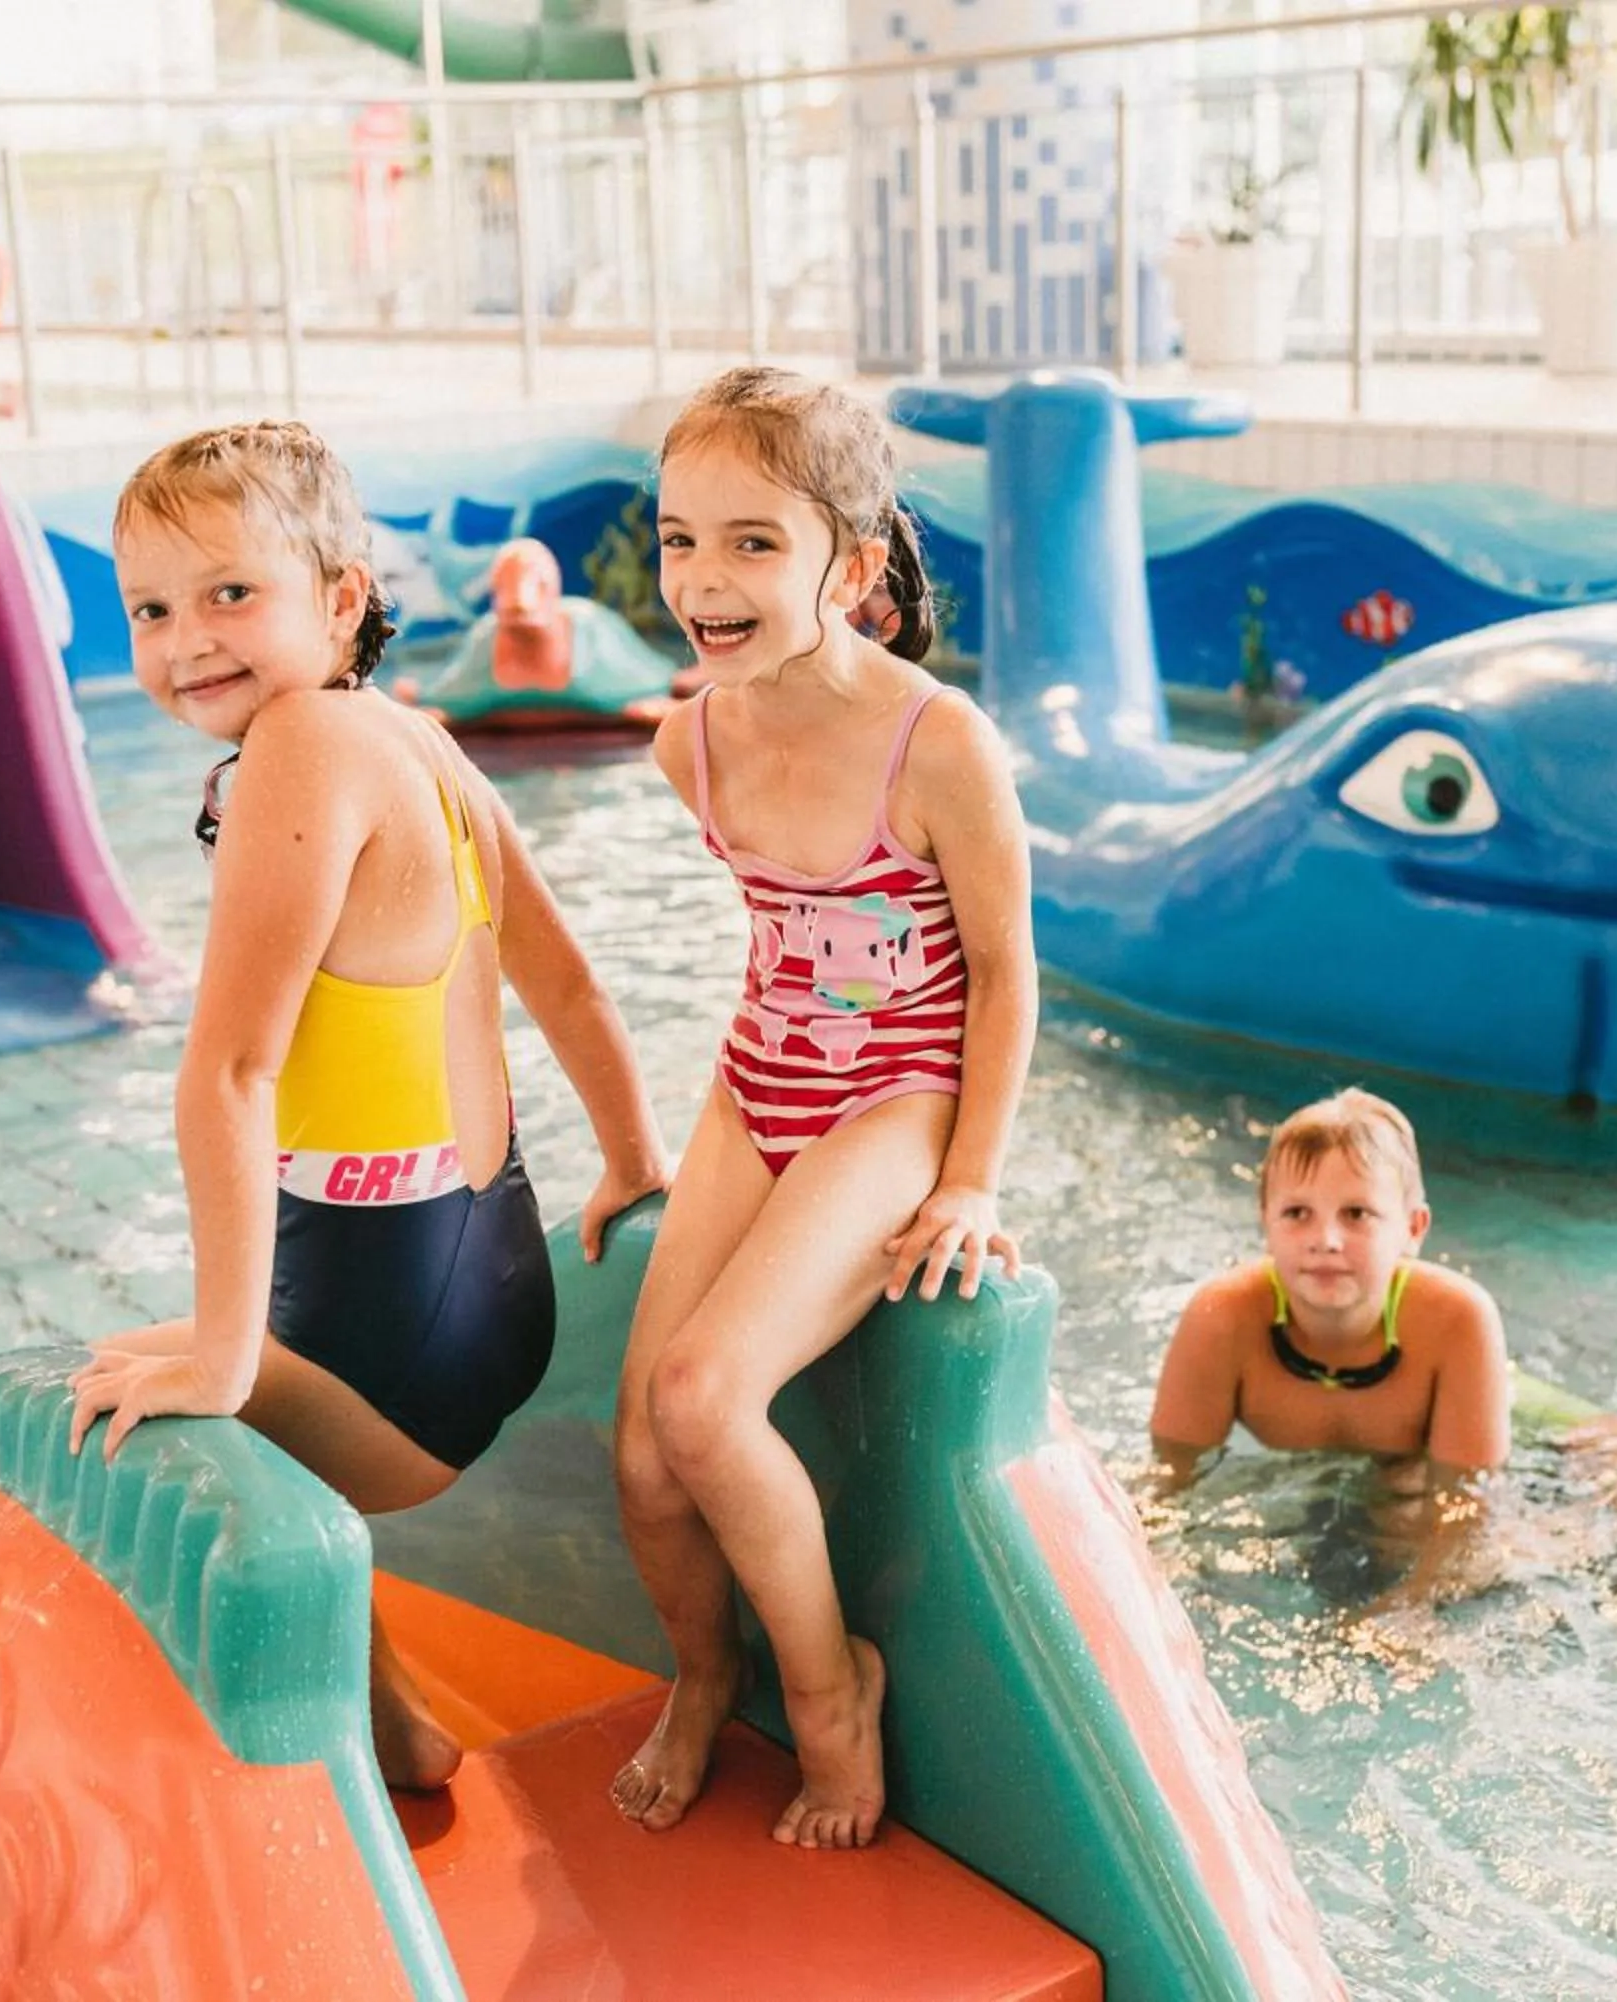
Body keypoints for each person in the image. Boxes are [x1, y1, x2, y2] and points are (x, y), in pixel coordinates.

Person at [66, 422, 670, 1790]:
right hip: (492, 1290)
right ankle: (398, 1718)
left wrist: (224, 1364)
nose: (185, 641)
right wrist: (633, 1159)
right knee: (145, 1361)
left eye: (232, 594)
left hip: (388, 1341)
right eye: (151, 609)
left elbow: (230, 1072)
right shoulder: (429, 745)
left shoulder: (301, 749)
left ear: (339, 598)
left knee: (89, 1403)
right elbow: (570, 986)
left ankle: (320, 1733)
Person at [608, 367, 1038, 1851]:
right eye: (678, 539)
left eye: (750, 542)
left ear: (850, 569)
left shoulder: (938, 745)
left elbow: (1001, 969)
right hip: (756, 1089)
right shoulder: (690, 743)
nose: (703, 580)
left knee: (707, 1401)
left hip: (896, 1102)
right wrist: (652, 1149)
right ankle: (701, 1671)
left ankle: (830, 1688)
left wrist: (970, 1177)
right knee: (643, 1459)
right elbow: (782, 948)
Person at [1149, 1088, 1513, 1600]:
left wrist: (1412, 1610)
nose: (1326, 1239)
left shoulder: (1458, 1322)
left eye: (1357, 1214)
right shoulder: (1222, 1318)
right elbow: (1170, 1480)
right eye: (1298, 1213)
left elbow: (1468, 1511)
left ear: (1413, 1228)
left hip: (1490, 1409)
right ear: (1265, 1222)